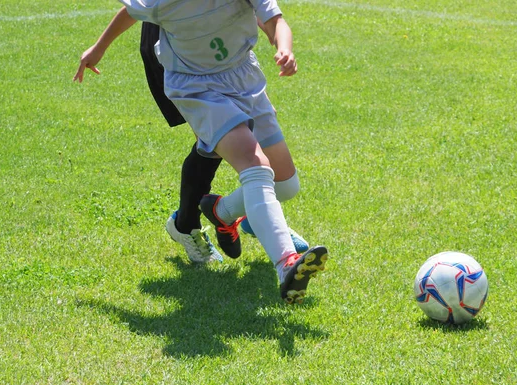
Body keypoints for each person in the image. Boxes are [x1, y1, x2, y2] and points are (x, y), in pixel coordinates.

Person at [75, 1, 328, 304]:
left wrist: (284, 47)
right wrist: (98, 48)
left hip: (243, 77)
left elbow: (275, 22)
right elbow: (131, 11)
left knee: (286, 185)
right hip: (197, 88)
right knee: (254, 163)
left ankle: (226, 213)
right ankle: (286, 264)